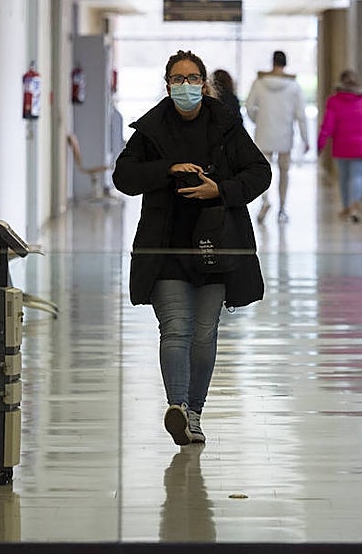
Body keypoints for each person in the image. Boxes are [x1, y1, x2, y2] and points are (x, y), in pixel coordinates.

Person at [113, 50, 271, 447]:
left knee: (204, 334)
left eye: (193, 77)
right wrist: (168, 170)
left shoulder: (227, 126)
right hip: (165, 248)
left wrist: (221, 189)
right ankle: (179, 407)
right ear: (167, 85)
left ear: (205, 83)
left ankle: (193, 413)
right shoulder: (150, 130)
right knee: (176, 330)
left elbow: (259, 172)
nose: (186, 85)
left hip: (216, 246)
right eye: (178, 79)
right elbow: (124, 177)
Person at [244, 50, 309, 224]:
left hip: (263, 133)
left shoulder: (259, 83)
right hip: (285, 136)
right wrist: (305, 138)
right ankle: (282, 208)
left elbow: (249, 107)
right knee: (284, 172)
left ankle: (265, 201)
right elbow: (300, 115)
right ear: (285, 63)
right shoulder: (294, 86)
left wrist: (258, 120)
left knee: (263, 171)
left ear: (272, 62)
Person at [316, 69, 362, 223]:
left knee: (344, 178)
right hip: (361, 145)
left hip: (341, 145)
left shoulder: (334, 100)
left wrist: (320, 144)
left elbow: (327, 126)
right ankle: (355, 207)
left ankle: (346, 208)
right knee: (357, 176)